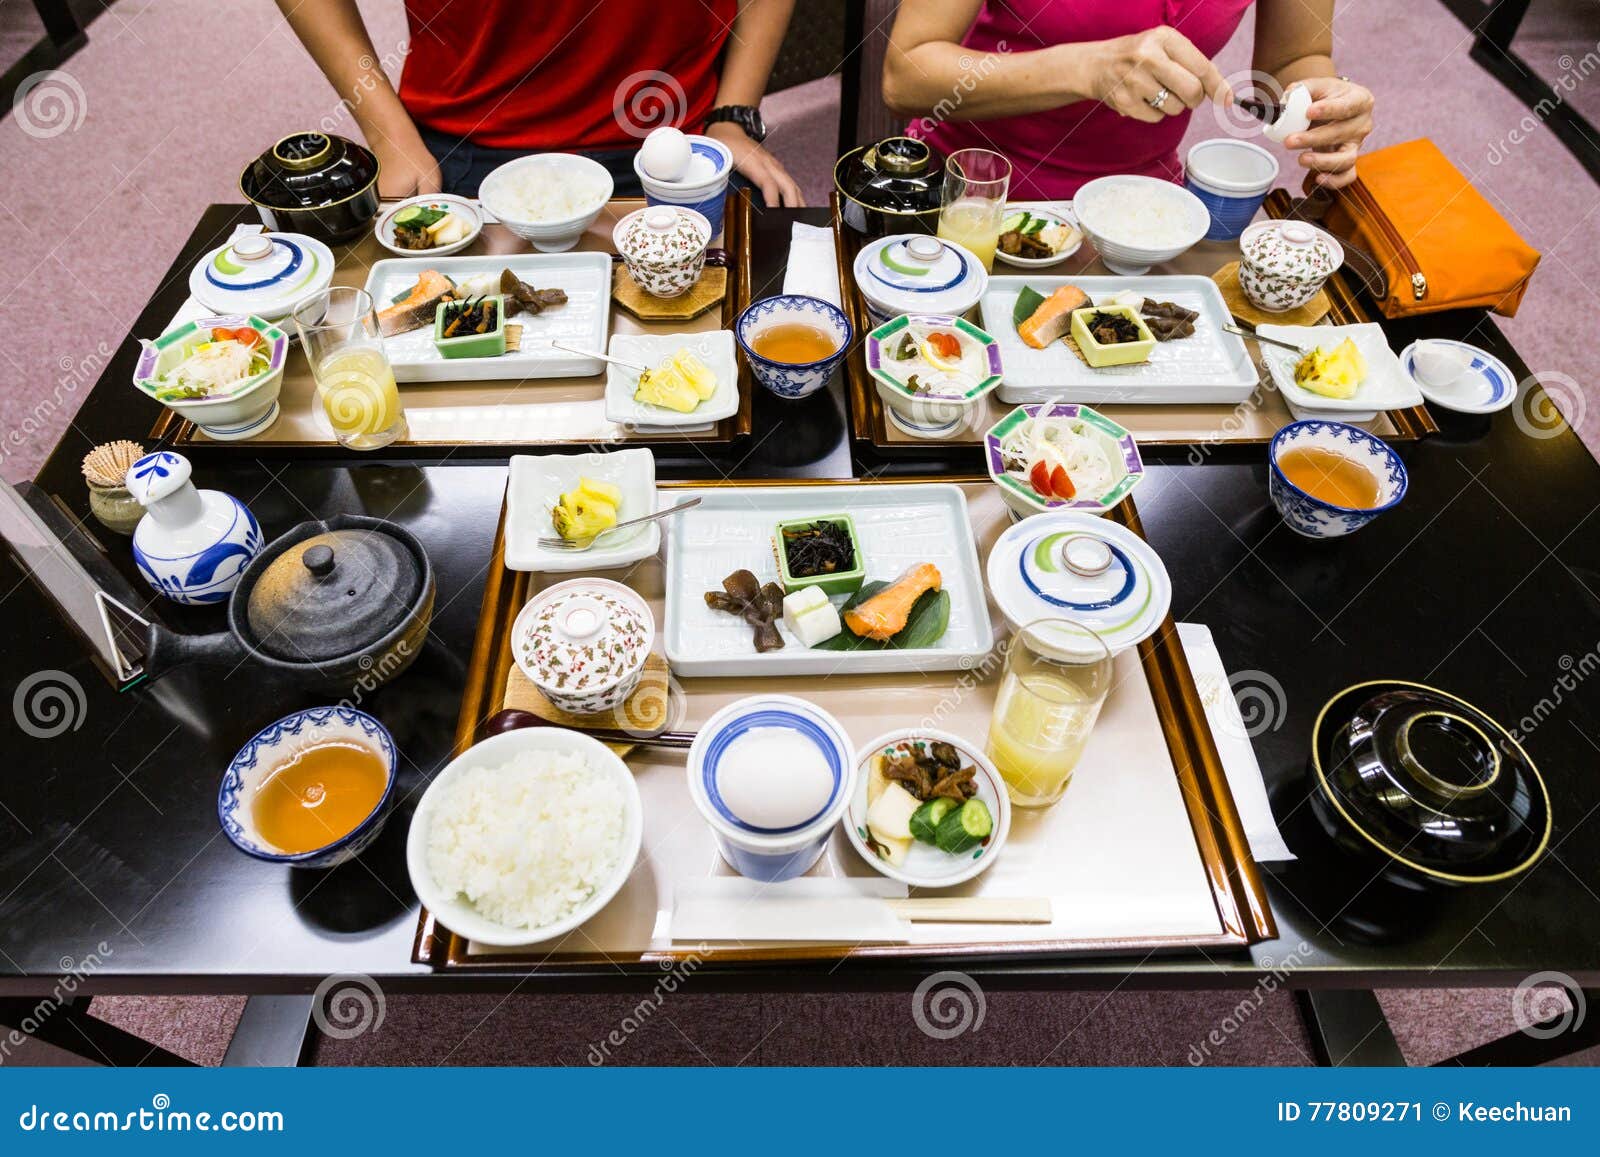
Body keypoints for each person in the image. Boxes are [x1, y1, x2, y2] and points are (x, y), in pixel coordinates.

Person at [276, 0, 804, 205]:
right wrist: (386, 132)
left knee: (726, 401)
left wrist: (733, 114)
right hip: (462, 143)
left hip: (675, 141)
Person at [883, 0, 1376, 199]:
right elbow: (907, 76)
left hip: (1144, 207)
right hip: (972, 190)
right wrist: (1087, 69)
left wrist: (1320, 101)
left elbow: (1297, 56)